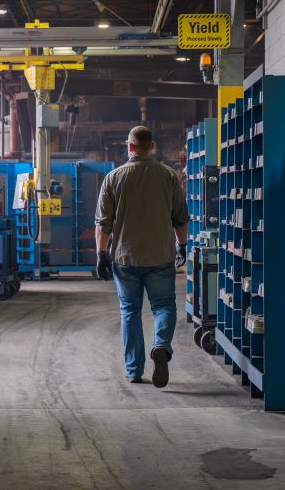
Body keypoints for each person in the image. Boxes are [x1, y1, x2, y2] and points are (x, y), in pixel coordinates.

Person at [94, 126, 189, 387]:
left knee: (130, 311)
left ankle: (134, 370)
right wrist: (182, 245)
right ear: (153, 146)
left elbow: (103, 222)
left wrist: (101, 254)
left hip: (125, 257)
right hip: (160, 254)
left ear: (129, 147)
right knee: (164, 306)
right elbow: (180, 217)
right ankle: (161, 345)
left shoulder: (113, 178)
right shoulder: (169, 176)